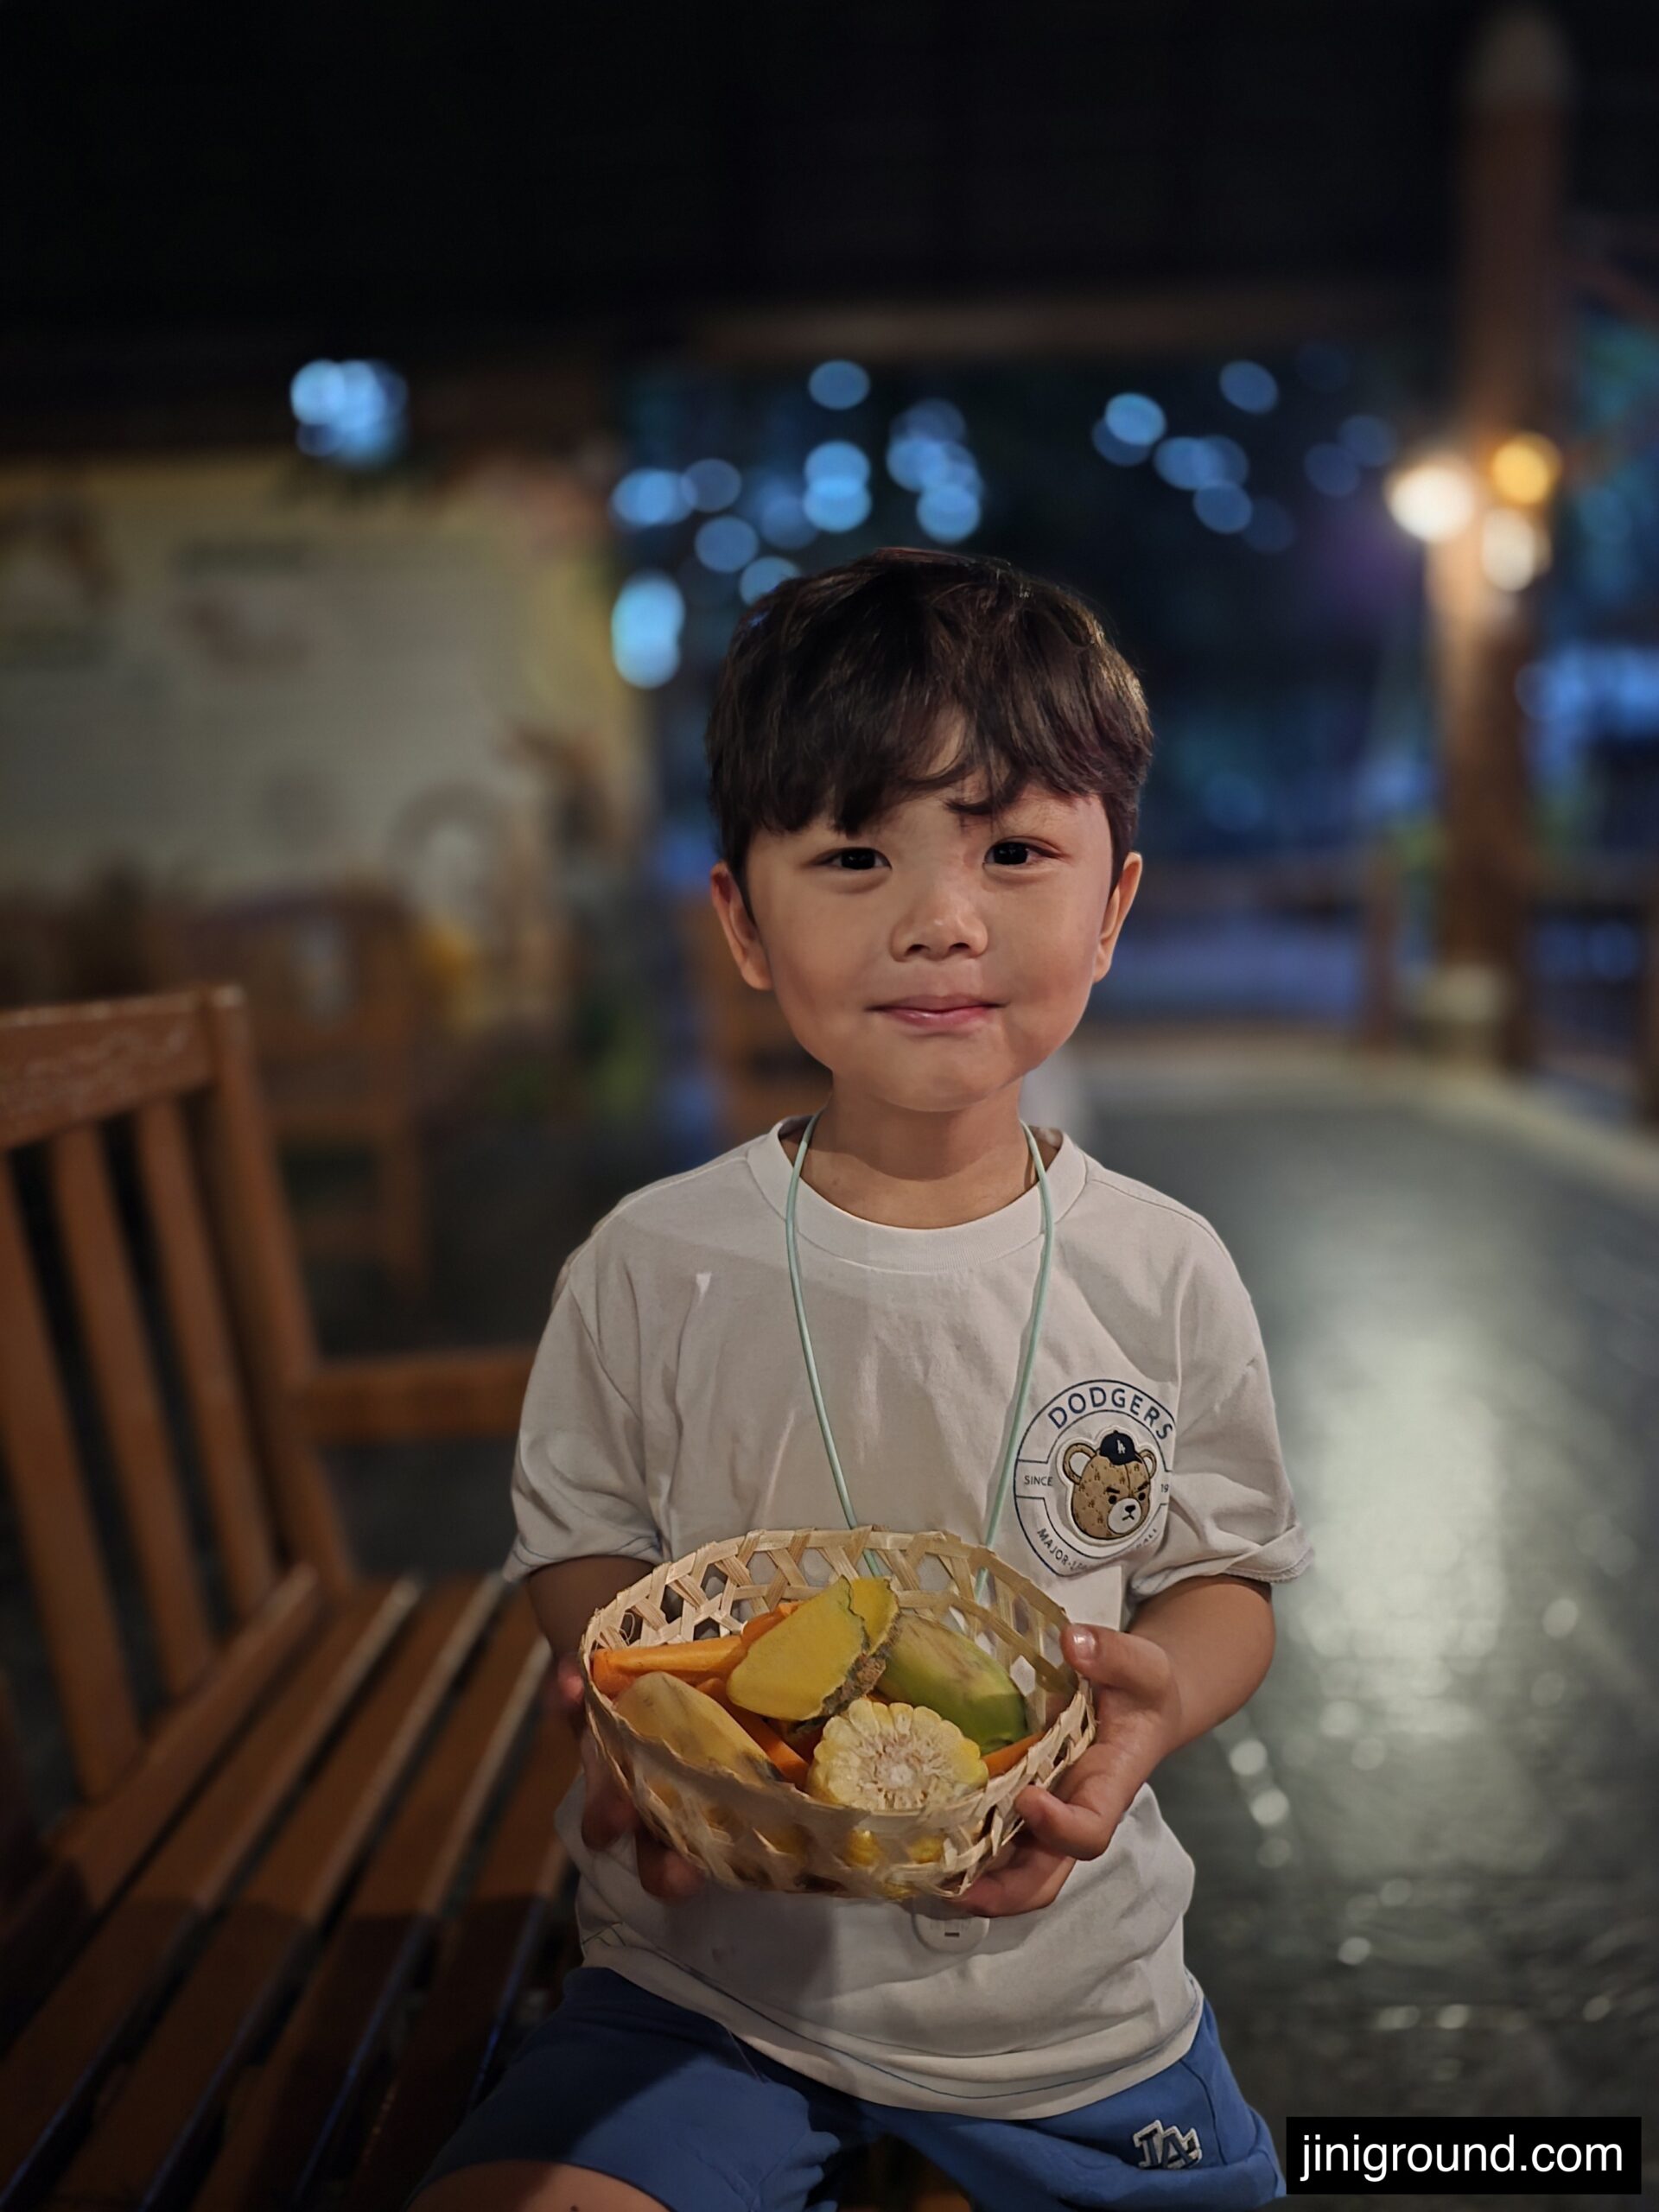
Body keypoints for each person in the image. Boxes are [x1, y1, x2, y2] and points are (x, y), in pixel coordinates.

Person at [409, 548, 1313, 2212]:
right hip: (709, 1979)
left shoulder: (1160, 1266)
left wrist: (1155, 1700)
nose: (940, 918)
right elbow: (581, 1540)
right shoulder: (653, 1258)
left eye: (1015, 849)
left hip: (1066, 2012)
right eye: (854, 853)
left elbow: (1225, 1571)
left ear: (1112, 907)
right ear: (745, 920)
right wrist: (627, 1699)